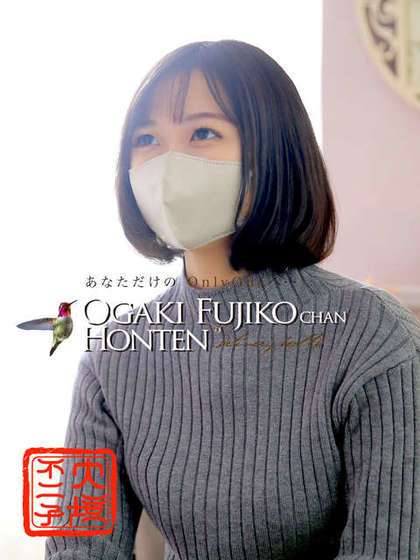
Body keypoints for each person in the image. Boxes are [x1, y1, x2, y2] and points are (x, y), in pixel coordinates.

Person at [45, 40, 420, 560]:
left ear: (273, 154)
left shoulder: (374, 339)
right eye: (147, 139)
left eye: (203, 132)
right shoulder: (112, 358)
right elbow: (79, 548)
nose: (168, 163)